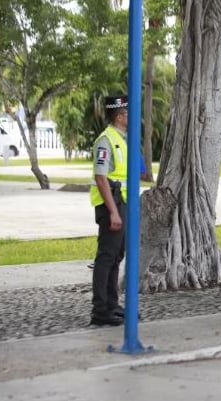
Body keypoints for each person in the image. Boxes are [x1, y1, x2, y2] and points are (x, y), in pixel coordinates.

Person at [89, 94, 129, 326]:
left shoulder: (121, 138)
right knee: (106, 257)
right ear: (119, 115)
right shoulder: (106, 140)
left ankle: (112, 305)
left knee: (115, 257)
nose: (129, 117)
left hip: (120, 203)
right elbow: (101, 177)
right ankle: (100, 310)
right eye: (126, 113)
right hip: (110, 205)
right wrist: (113, 211)